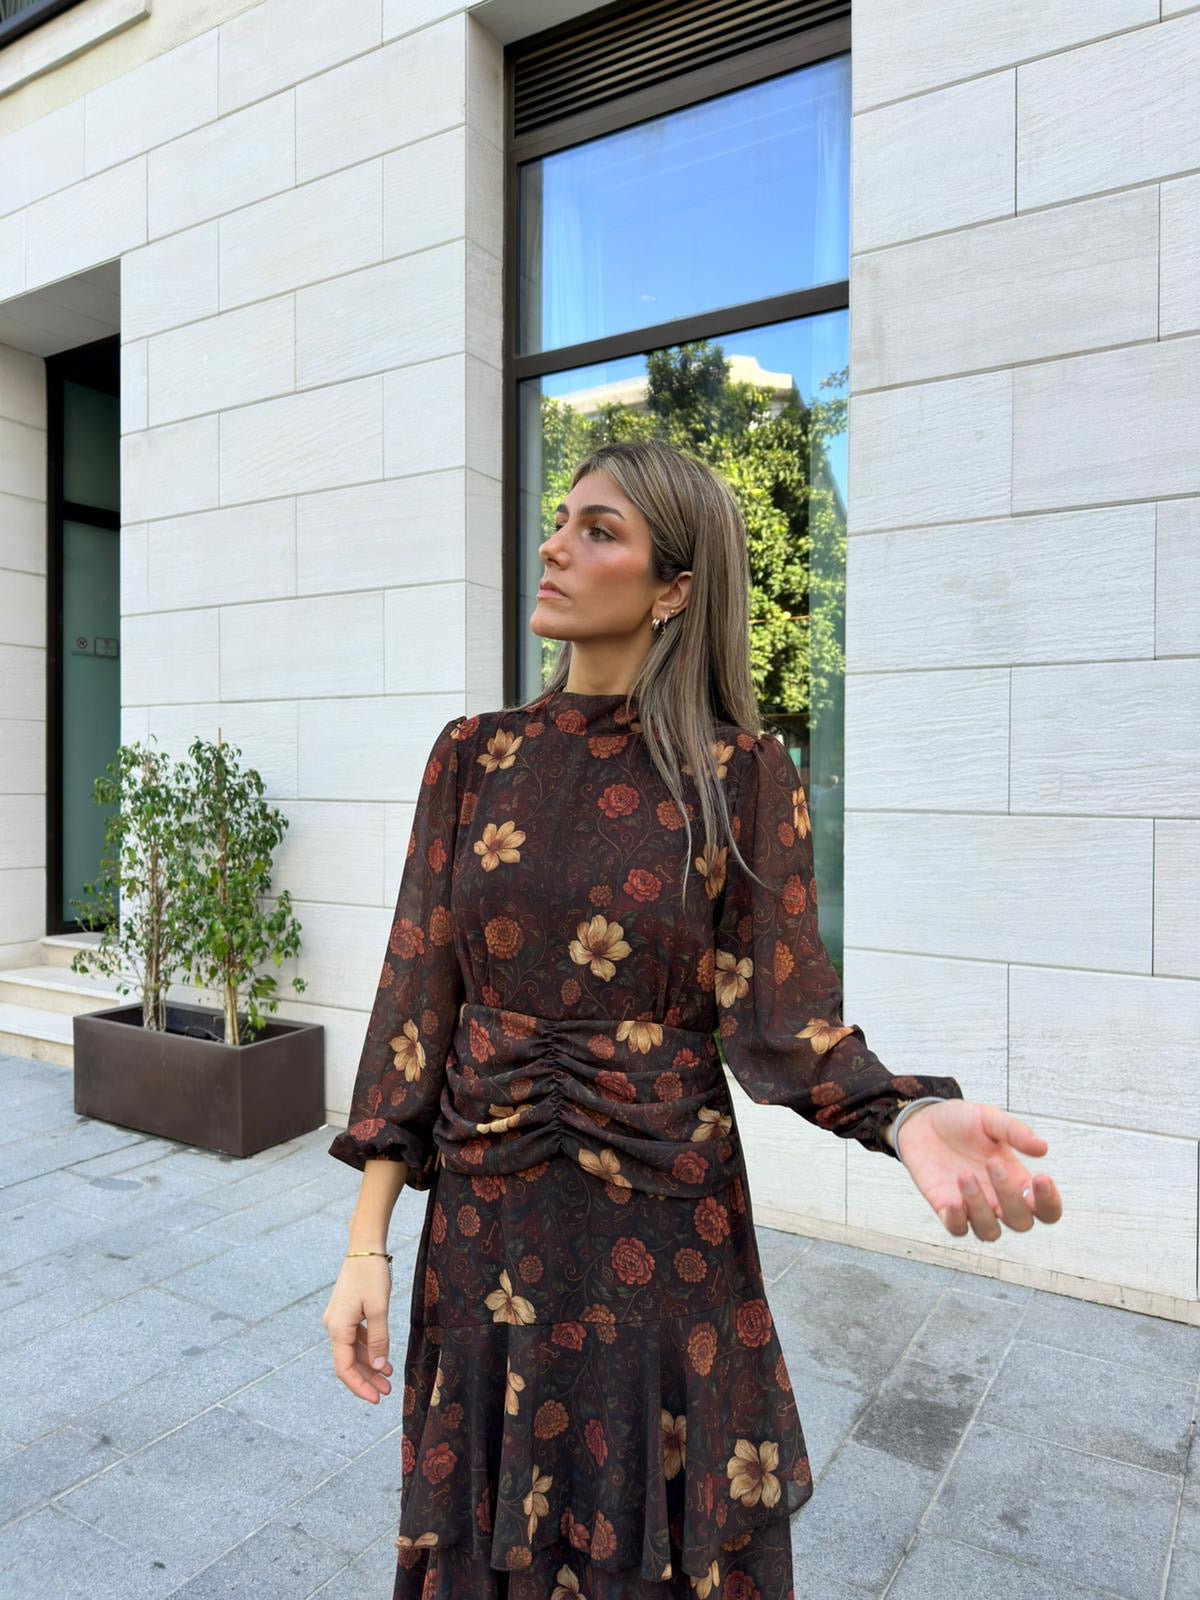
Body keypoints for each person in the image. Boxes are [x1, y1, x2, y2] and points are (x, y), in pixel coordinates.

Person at [322, 440, 1063, 1599]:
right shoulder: (473, 757)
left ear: (674, 588)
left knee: (655, 1535)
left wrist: (905, 1114)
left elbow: (786, 1018)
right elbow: (415, 1003)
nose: (556, 546)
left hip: (660, 1241)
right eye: (561, 519)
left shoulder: (742, 774)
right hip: (484, 1232)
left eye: (599, 529)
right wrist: (365, 1246)